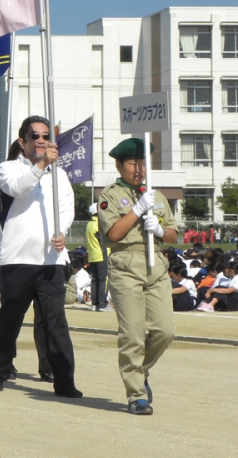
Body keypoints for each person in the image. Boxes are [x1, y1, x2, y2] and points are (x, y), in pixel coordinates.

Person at [0, 116, 81, 398]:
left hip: (51, 261)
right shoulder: (8, 168)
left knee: (55, 322)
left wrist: (62, 231)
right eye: (34, 136)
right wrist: (41, 166)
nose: (40, 140)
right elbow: (16, 189)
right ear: (22, 141)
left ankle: (64, 380)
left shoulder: (59, 175)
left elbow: (67, 208)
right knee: (10, 318)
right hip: (17, 259)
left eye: (44, 136)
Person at [98, 137, 177, 415]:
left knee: (165, 331)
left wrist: (158, 230)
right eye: (133, 163)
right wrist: (137, 210)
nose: (140, 169)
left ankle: (140, 370)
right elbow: (114, 234)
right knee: (132, 334)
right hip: (126, 265)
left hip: (156, 262)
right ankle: (136, 395)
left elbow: (173, 235)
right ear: (120, 165)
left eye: (144, 163)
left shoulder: (157, 195)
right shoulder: (109, 194)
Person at [85, 202, 111, 312]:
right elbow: (103, 241)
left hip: (92, 256)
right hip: (101, 255)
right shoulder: (99, 224)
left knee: (94, 280)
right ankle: (103, 304)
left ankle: (95, 304)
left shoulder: (89, 224)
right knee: (103, 280)